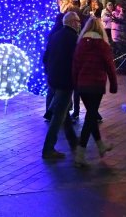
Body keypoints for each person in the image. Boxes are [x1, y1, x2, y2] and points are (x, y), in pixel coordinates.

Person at [71, 16, 117, 167]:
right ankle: (80, 152)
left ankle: (100, 145)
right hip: (96, 83)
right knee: (91, 116)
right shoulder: (103, 45)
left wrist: (75, 83)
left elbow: (75, 65)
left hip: (83, 84)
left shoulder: (81, 44)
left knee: (91, 114)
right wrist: (113, 84)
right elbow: (110, 66)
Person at [42, 11, 82, 160]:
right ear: (72, 22)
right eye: (77, 21)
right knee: (58, 116)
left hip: (54, 79)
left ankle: (72, 141)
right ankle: (48, 149)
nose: (79, 24)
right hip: (65, 81)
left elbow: (46, 57)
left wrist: (49, 73)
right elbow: (76, 61)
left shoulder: (55, 36)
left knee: (63, 113)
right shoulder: (73, 39)